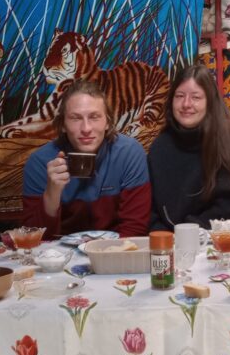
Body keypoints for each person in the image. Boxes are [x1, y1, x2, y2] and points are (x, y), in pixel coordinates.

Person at [22, 79, 150, 237]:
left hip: (115, 251)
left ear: (107, 122)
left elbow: (134, 230)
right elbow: (33, 238)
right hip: (60, 255)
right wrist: (51, 195)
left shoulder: (128, 153)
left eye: (94, 117)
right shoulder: (40, 162)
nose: (86, 129)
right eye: (75, 118)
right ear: (62, 124)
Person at [147, 64, 230, 231]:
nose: (186, 104)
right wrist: (162, 236)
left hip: (218, 239)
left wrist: (188, 232)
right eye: (179, 96)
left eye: (196, 97)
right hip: (168, 242)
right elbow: (150, 207)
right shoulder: (160, 147)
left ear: (210, 101)